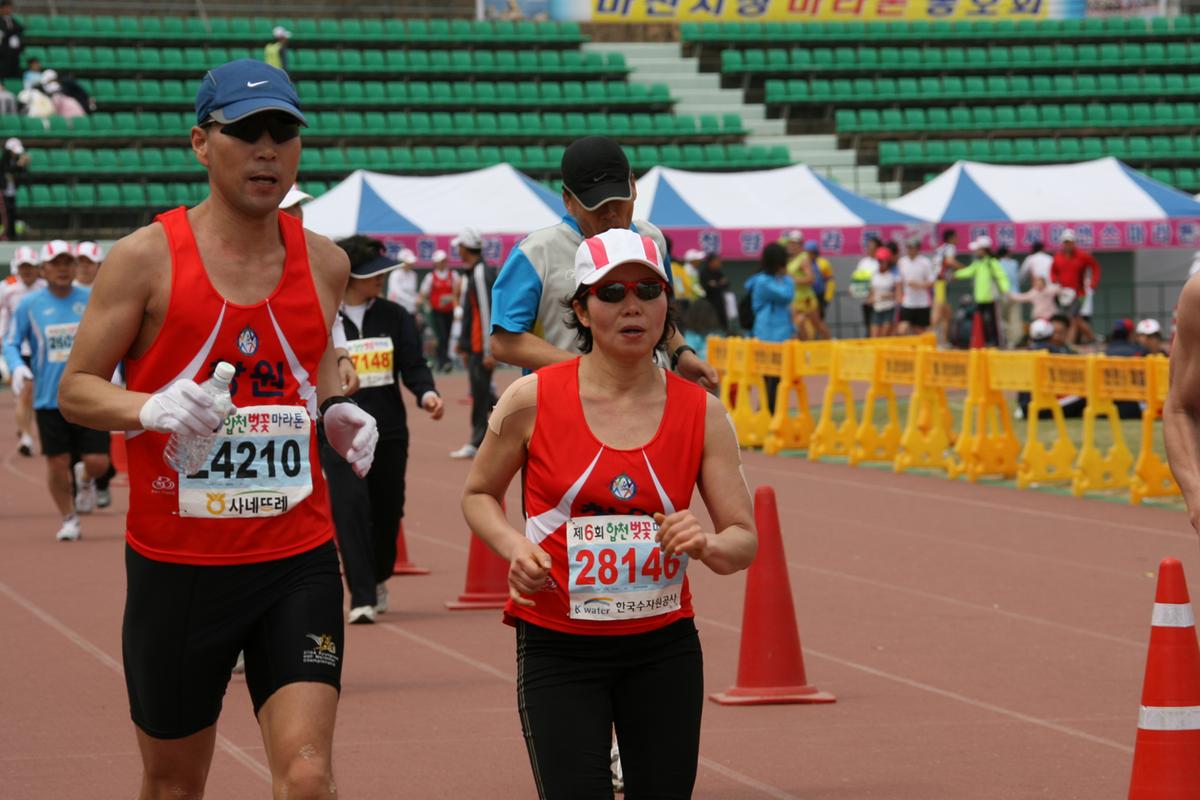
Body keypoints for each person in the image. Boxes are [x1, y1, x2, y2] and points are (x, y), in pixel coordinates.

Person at [56, 60, 379, 799]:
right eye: (245, 132)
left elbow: (314, 358)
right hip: (178, 569)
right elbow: (74, 390)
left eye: (284, 133)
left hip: (294, 556)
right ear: (202, 142)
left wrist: (335, 408)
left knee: (307, 777)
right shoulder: (144, 259)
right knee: (174, 785)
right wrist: (149, 407)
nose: (267, 149)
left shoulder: (325, 262)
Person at [461, 227, 756, 800]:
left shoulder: (704, 413)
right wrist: (514, 546)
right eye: (611, 292)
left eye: (648, 290)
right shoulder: (531, 399)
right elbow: (477, 494)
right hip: (558, 646)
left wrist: (706, 544)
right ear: (581, 307)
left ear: (667, 305)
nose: (632, 306)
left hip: (663, 646)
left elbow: (744, 539)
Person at [489, 135, 717, 389]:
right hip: (565, 407)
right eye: (595, 205)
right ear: (568, 200)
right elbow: (503, 341)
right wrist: (589, 371)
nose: (610, 213)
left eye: (617, 200)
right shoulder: (536, 253)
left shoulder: (652, 241)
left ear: (633, 185)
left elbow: (660, 317)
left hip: (649, 402)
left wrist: (681, 353)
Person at [323, 235, 443, 624]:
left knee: (388, 510)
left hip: (389, 431)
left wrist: (426, 394)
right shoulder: (326, 318)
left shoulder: (395, 315)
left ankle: (377, 578)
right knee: (350, 509)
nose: (382, 280)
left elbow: (413, 363)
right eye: (373, 275)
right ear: (350, 276)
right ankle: (360, 596)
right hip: (340, 434)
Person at [3, 239, 110, 540]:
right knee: (57, 463)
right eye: (56, 264)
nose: (62, 269)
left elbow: (111, 334)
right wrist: (17, 366)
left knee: (98, 462)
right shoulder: (29, 305)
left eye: (67, 263)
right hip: (50, 398)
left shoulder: (91, 298)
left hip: (90, 394)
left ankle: (86, 479)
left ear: (75, 267)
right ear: (44, 269)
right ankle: (69, 518)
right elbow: (11, 342)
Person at [450, 227, 497, 460]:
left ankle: (477, 441)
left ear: (466, 248)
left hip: (482, 346)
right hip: (475, 345)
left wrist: (489, 350)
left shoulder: (480, 273)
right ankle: (503, 422)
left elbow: (486, 311)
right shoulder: (472, 272)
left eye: (459, 246)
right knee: (483, 394)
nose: (457, 250)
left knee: (480, 394)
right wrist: (463, 343)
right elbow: (470, 311)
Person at [744, 242, 794, 413]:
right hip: (768, 334)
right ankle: (767, 412)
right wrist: (788, 279)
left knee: (777, 379)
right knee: (769, 378)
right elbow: (787, 295)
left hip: (778, 334)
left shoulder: (770, 280)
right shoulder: (763, 282)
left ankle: (769, 412)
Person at [0, 243, 41, 455]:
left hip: (43, 350)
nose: (27, 271)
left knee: (36, 395)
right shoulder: (7, 288)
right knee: (26, 392)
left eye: (31, 266)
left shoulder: (45, 287)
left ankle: (26, 426)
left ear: (37, 267)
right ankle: (26, 437)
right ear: (17, 266)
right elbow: (3, 316)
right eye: (23, 266)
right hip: (18, 349)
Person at [953, 236, 1009, 347]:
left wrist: (1005, 289)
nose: (976, 252)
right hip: (980, 298)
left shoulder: (992, 262)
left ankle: (997, 343)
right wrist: (956, 275)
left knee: (994, 322)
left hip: (992, 298)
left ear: (984, 250)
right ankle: (986, 341)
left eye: (978, 250)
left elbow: (1001, 276)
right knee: (981, 322)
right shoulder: (978, 263)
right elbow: (968, 271)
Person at [1050, 229, 1100, 346]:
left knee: (1071, 318)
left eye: (1070, 242)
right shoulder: (1058, 257)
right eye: (1066, 242)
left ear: (1074, 243)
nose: (1068, 245)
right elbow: (1053, 271)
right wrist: (1054, 280)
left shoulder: (1082, 256)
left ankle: (1069, 343)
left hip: (1079, 293)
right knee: (1075, 319)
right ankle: (1092, 338)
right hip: (1063, 294)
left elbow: (1095, 268)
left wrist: (1093, 284)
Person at [420, 248, 459, 373]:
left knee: (447, 336)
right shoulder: (430, 277)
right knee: (440, 336)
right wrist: (427, 305)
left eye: (443, 261)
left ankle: (443, 362)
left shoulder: (453, 275)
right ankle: (444, 361)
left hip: (449, 311)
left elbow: (457, 293)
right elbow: (423, 294)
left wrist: (452, 300)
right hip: (436, 312)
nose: (442, 263)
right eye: (439, 261)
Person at [783, 230, 819, 340]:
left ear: (800, 245)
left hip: (806, 298)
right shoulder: (791, 259)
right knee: (797, 327)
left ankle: (831, 347)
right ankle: (803, 351)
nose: (791, 246)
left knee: (817, 325)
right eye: (789, 243)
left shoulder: (804, 258)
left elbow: (811, 279)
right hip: (795, 298)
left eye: (793, 243)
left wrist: (794, 280)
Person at [897, 238, 935, 335]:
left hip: (922, 302)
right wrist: (899, 297)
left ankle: (918, 349)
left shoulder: (925, 262)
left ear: (917, 249)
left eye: (912, 247)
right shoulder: (902, 262)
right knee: (902, 329)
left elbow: (931, 282)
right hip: (908, 301)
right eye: (908, 247)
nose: (910, 250)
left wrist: (918, 285)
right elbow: (899, 281)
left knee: (920, 331)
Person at [931, 229, 960, 345]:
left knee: (947, 315)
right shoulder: (950, 247)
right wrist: (965, 268)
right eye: (956, 237)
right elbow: (950, 262)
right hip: (941, 283)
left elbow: (941, 265)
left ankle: (943, 341)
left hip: (940, 282)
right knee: (938, 313)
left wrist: (951, 276)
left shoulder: (940, 249)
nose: (958, 239)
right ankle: (930, 338)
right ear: (951, 238)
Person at [850, 235, 882, 337]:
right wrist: (852, 289)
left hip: (880, 300)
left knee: (880, 327)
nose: (869, 249)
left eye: (872, 247)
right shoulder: (863, 262)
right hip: (866, 300)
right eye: (868, 247)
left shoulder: (881, 262)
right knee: (869, 326)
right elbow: (857, 279)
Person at [696, 251, 731, 333]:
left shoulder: (718, 273)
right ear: (711, 262)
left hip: (720, 303)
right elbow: (708, 287)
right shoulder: (704, 273)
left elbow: (726, 284)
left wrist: (716, 284)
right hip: (709, 303)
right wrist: (718, 284)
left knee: (723, 325)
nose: (719, 263)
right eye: (717, 261)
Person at [868, 245, 899, 338]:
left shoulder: (893, 275)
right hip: (877, 307)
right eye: (880, 261)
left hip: (889, 308)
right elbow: (872, 291)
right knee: (874, 335)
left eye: (884, 261)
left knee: (885, 334)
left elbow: (898, 294)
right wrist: (871, 298)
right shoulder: (874, 274)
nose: (882, 263)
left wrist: (886, 296)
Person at [0, 135, 27, 238]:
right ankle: (5, 235)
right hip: (4, 192)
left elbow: (22, 175)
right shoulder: (4, 162)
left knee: (12, 214)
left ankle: (12, 235)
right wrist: (19, 165)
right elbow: (7, 171)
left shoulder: (15, 161)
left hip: (12, 192)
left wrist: (22, 166)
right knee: (5, 215)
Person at [996, 245, 1022, 346]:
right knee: (1014, 319)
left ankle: (1005, 340)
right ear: (1007, 253)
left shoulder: (997, 264)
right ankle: (1013, 341)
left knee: (1003, 319)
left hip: (1002, 295)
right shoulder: (1014, 263)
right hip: (1014, 294)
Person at [386, 247, 420, 316]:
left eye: (411, 262)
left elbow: (413, 292)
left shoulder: (413, 274)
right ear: (401, 262)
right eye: (408, 262)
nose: (410, 264)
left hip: (410, 311)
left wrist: (417, 299)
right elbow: (397, 292)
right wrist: (413, 300)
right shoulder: (395, 274)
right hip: (396, 311)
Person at [0, 3, 23, 80]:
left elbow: (20, 28)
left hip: (14, 52)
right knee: (4, 70)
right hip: (3, 52)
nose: (9, 10)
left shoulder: (12, 20)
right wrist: (12, 32)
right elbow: (4, 32)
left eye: (10, 8)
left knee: (14, 70)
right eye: (6, 8)